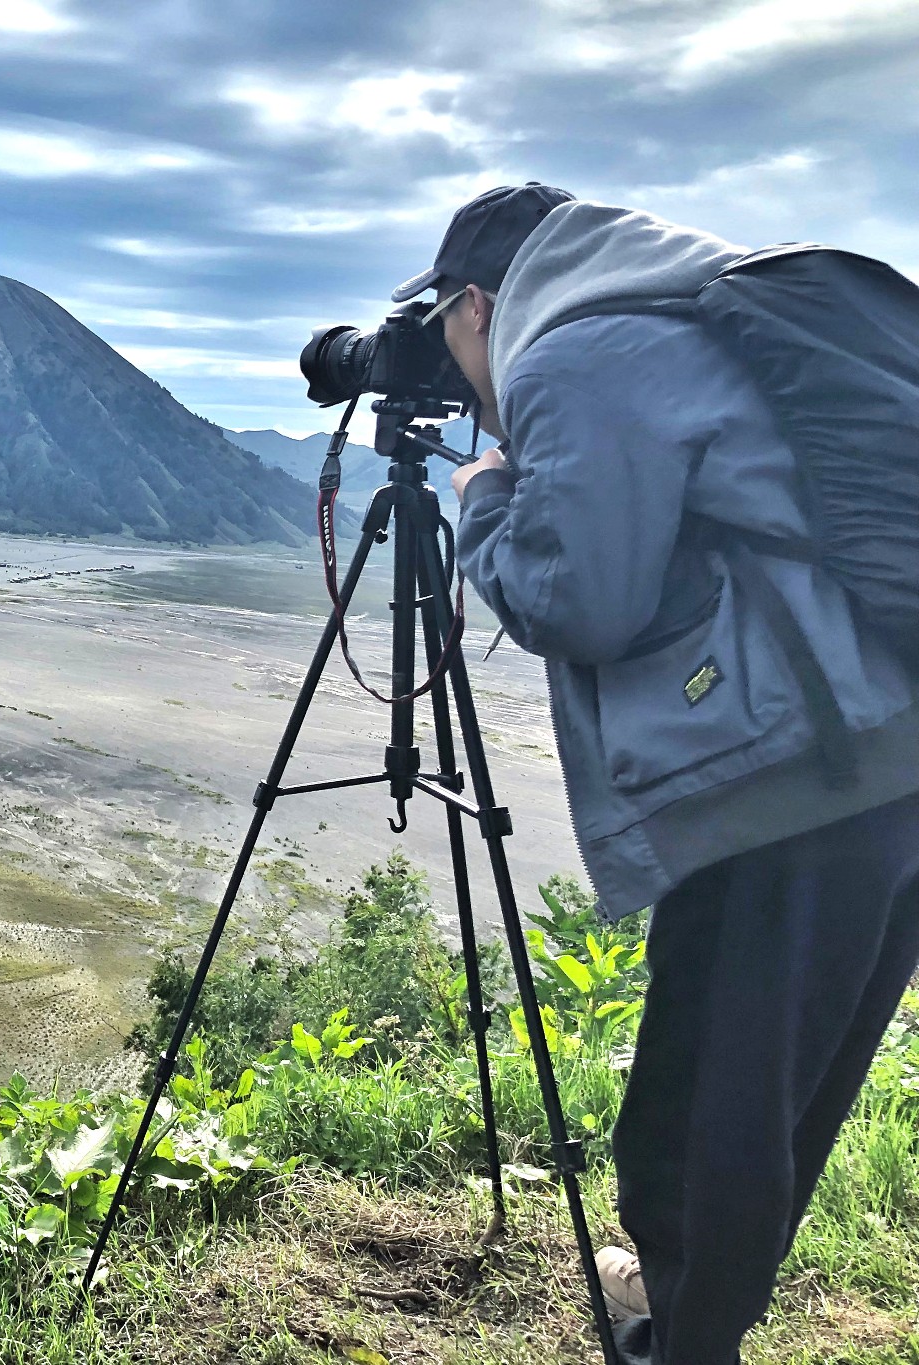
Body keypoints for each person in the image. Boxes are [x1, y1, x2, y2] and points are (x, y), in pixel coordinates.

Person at [394, 184, 919, 1364]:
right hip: (880, 755)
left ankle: (680, 1339)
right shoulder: (687, 314)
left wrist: (480, 500)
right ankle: (699, 1303)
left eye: (444, 332)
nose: (452, 363)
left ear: (476, 303)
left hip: (782, 779)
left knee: (699, 1116)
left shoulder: (574, 354)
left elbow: (577, 599)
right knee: (779, 1095)